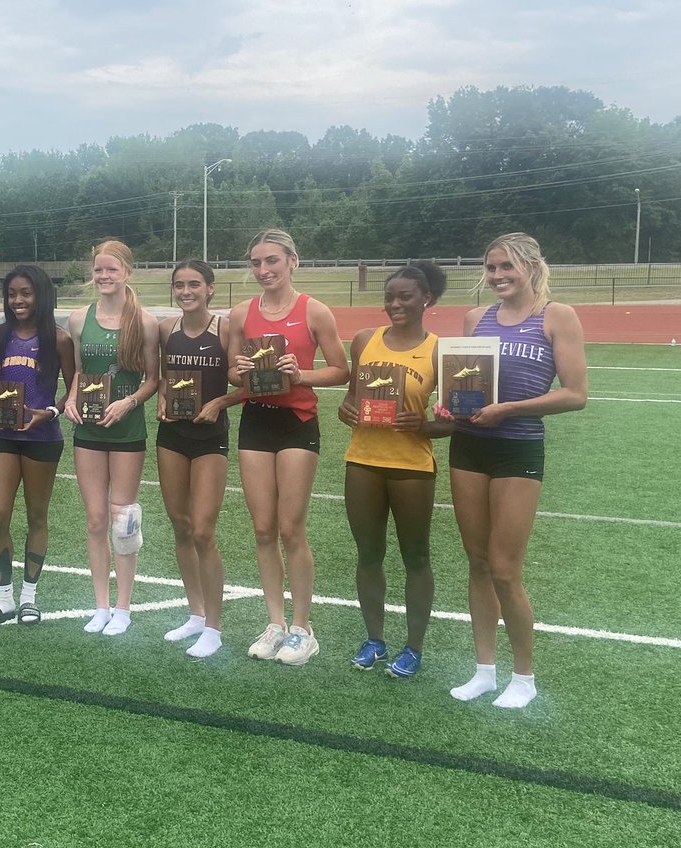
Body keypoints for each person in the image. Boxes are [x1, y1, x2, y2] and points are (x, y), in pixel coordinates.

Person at [440, 233, 587, 709]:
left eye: (507, 267)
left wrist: (509, 409)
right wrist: (448, 408)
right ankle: (485, 670)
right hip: (469, 447)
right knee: (478, 563)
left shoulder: (557, 316)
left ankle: (524, 677)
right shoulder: (473, 318)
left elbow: (574, 394)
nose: (498, 276)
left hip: (517, 451)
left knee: (505, 570)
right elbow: (461, 381)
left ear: (530, 267)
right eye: (492, 267)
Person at [228, 228, 349, 664]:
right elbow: (232, 373)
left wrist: (301, 375)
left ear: (292, 261)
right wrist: (239, 369)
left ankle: (302, 627)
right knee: (263, 529)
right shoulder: (241, 313)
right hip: (256, 421)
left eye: (272, 261)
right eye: (257, 263)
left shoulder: (314, 311)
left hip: (298, 422)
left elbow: (341, 371)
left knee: (290, 527)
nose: (264, 270)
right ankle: (275, 623)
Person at [338, 261, 451, 678]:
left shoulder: (441, 349)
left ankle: (414, 647)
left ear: (427, 300)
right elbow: (351, 400)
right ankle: (375, 640)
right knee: (368, 554)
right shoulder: (365, 341)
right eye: (390, 297)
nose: (395, 304)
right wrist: (345, 410)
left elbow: (457, 418)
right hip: (363, 460)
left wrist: (426, 425)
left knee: (416, 556)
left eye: (405, 296)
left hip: (412, 466)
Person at [63, 240, 160, 636]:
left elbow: (153, 380)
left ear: (127, 273)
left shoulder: (146, 322)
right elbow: (77, 373)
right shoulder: (77, 319)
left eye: (111, 270)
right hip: (87, 430)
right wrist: (70, 400)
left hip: (126, 431)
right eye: (98, 270)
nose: (104, 276)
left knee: (124, 520)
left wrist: (129, 403)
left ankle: (124, 608)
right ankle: (100, 605)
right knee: (96, 519)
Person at [0, 264, 75, 628]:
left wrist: (49, 412)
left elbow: (73, 389)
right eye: (13, 293)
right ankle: (3, 600)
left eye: (26, 293)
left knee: (36, 516)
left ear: (41, 295)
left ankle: (29, 598)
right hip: (5, 437)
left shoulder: (58, 339)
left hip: (43, 439)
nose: (18, 300)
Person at [156, 260, 239, 658]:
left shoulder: (224, 328)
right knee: (181, 526)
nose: (186, 291)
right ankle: (194, 613)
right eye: (179, 285)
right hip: (171, 436)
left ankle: (214, 627)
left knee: (204, 531)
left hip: (210, 438)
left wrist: (220, 402)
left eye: (193, 285)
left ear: (210, 288)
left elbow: (249, 382)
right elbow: (159, 379)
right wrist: (158, 400)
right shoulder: (165, 328)